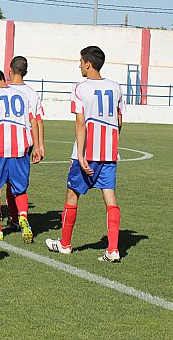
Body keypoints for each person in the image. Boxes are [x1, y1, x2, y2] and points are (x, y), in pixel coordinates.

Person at [45, 46, 125, 263]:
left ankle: (65, 244)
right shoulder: (116, 87)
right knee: (110, 198)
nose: (79, 65)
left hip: (87, 154)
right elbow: (119, 122)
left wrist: (80, 156)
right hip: (109, 154)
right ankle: (114, 249)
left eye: (80, 62)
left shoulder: (80, 88)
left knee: (72, 195)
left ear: (88, 64)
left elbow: (81, 123)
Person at [0, 69, 41, 241]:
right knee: (20, 189)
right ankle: (23, 217)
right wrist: (37, 146)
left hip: (0, 150)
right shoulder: (23, 95)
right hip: (21, 149)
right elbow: (33, 121)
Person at [5, 56, 45, 232]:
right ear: (26, 72)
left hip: (7, 141)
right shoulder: (33, 93)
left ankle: (13, 217)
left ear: (9, 70)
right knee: (20, 181)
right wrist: (39, 146)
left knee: (8, 182)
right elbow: (38, 120)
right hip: (26, 141)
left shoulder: (3, 91)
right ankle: (22, 216)